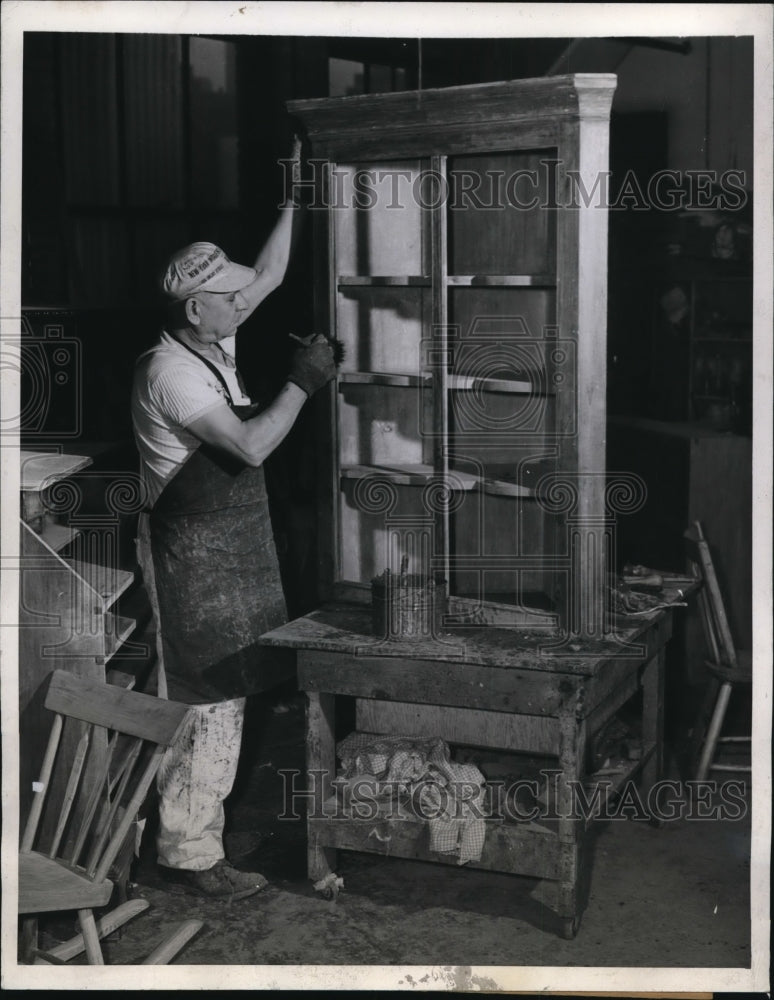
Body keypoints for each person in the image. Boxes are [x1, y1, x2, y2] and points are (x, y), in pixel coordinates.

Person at [131, 141, 336, 901]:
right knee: (204, 702)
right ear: (196, 307)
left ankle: (196, 838)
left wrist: (296, 191)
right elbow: (250, 445)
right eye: (231, 299)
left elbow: (272, 272)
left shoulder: (213, 336)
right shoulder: (173, 371)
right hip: (191, 555)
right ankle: (187, 855)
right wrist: (302, 384)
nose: (245, 305)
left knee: (234, 696)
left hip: (233, 547)